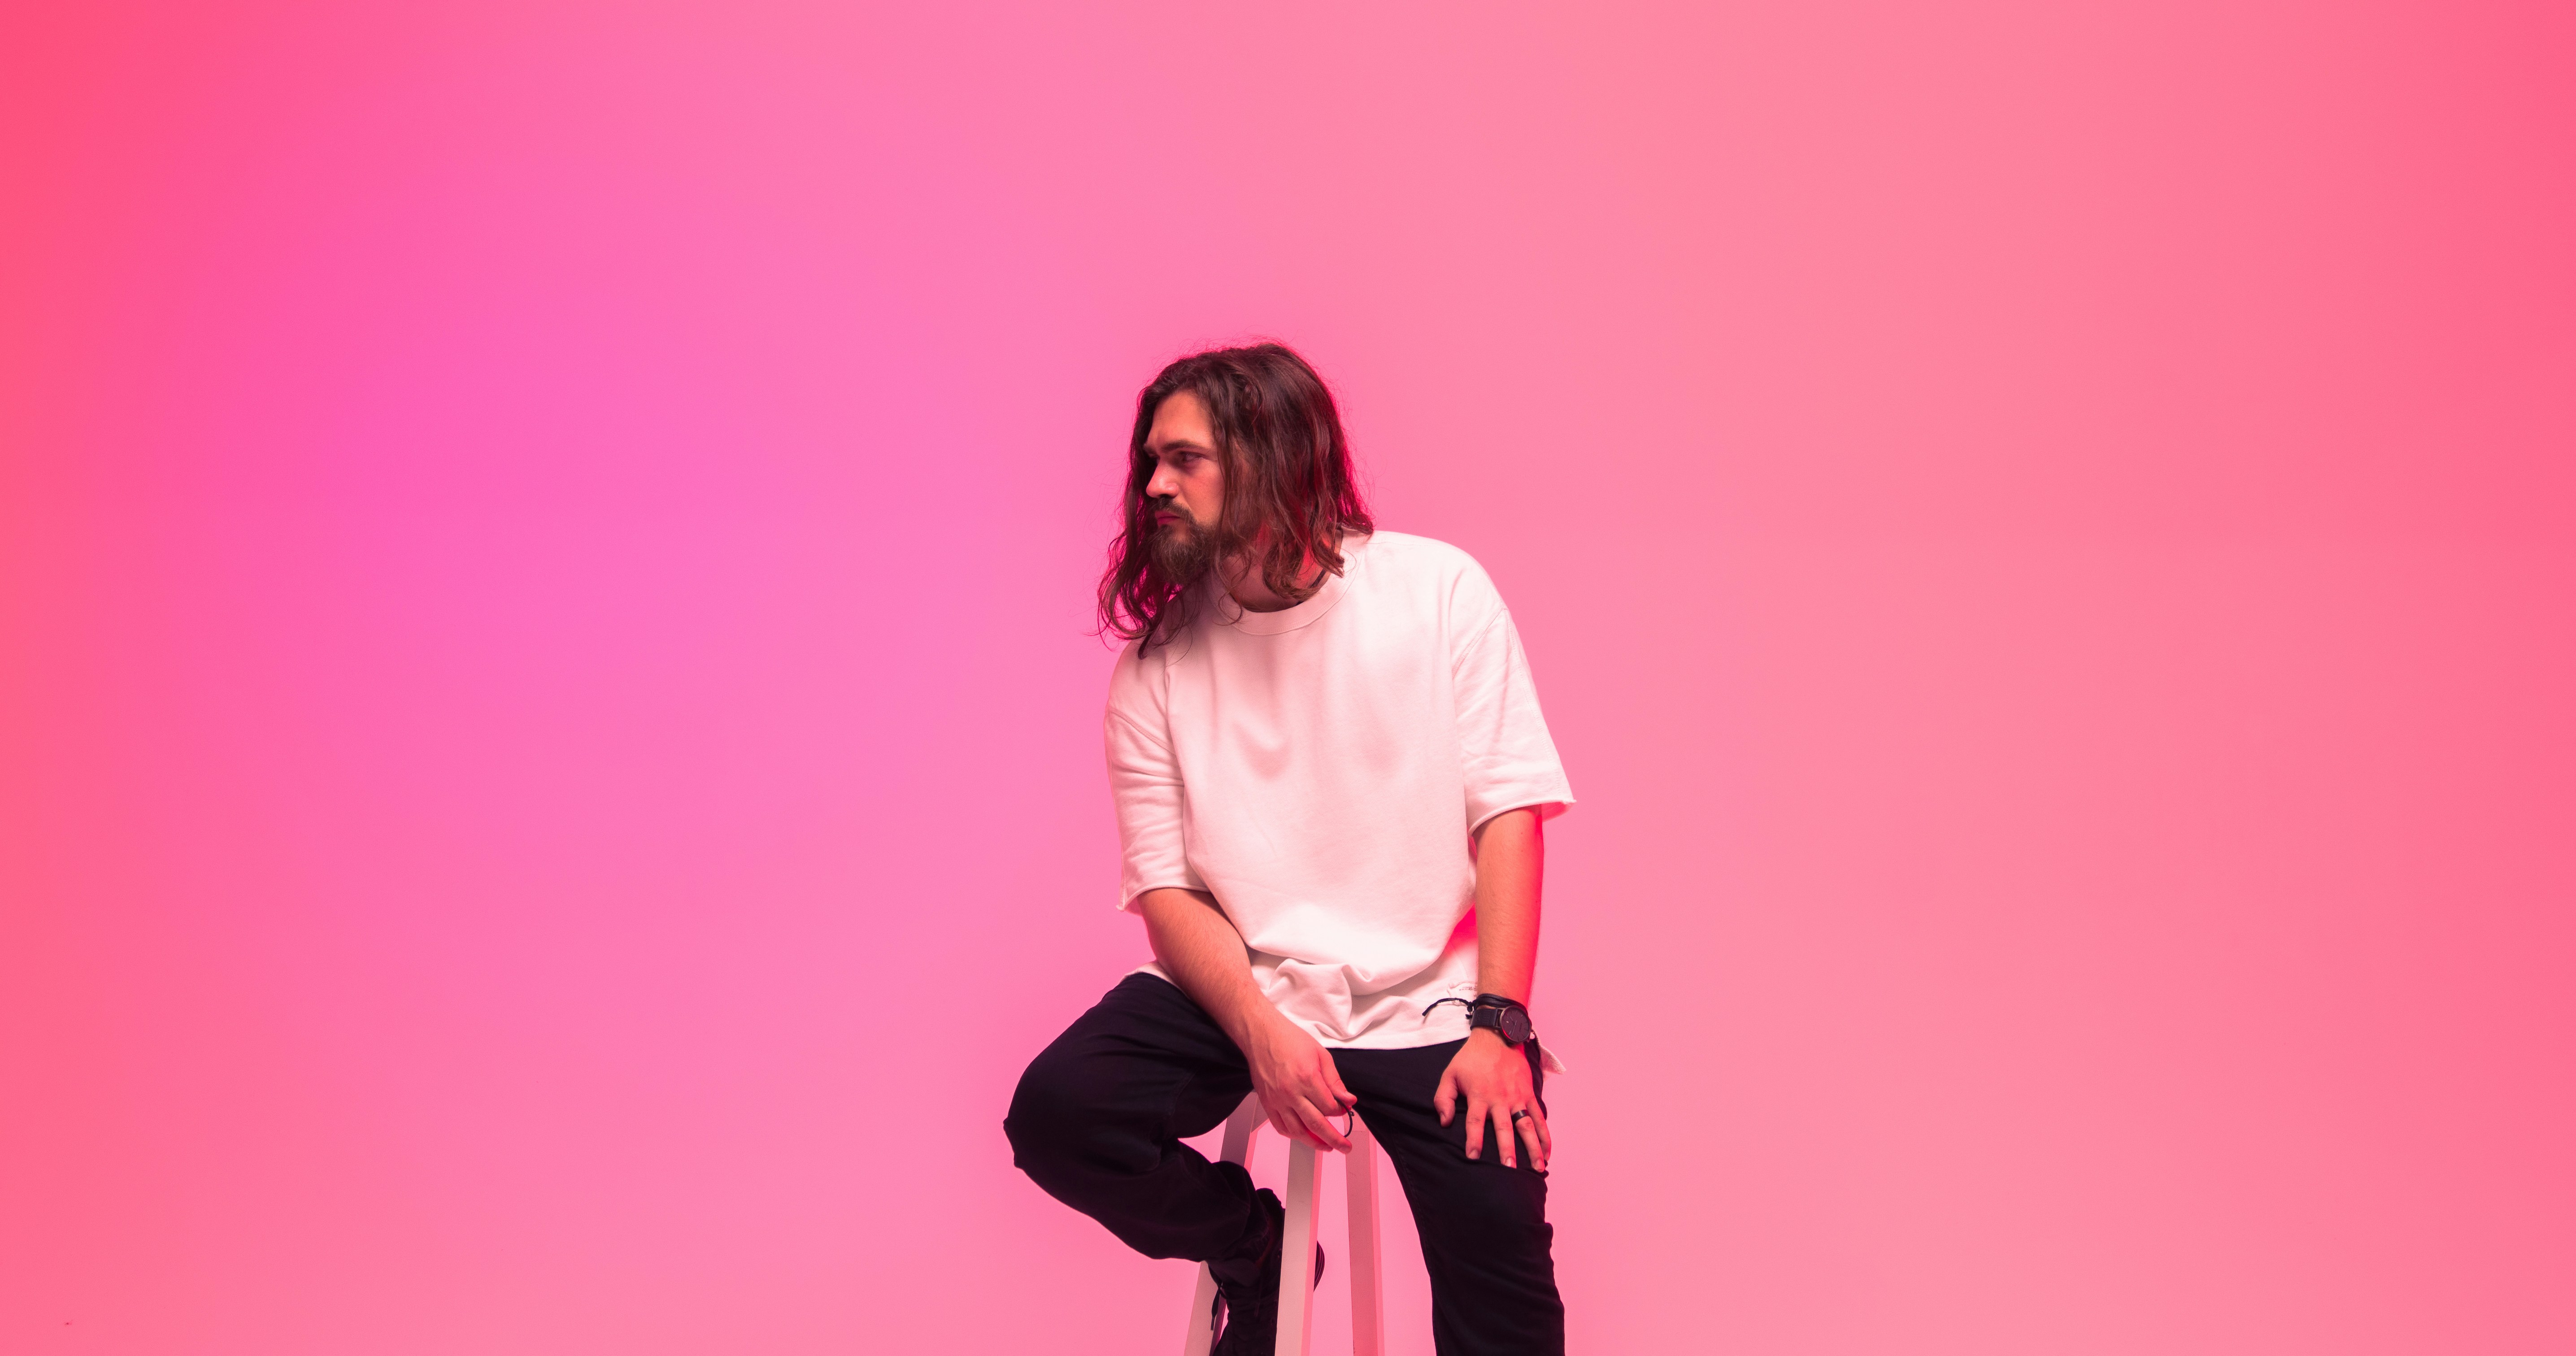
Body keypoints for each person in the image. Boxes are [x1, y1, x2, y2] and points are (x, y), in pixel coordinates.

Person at [1004, 343, 1574, 1355]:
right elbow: (1168, 893)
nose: (1152, 487)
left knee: (1502, 1269)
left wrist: (1499, 1026)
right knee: (1059, 1113)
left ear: (1269, 451)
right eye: (1148, 464)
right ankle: (1255, 1250)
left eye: (1182, 460)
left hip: (1432, 995)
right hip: (1240, 979)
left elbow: (1509, 815)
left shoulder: (1436, 591)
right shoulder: (1157, 666)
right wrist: (1261, 1030)